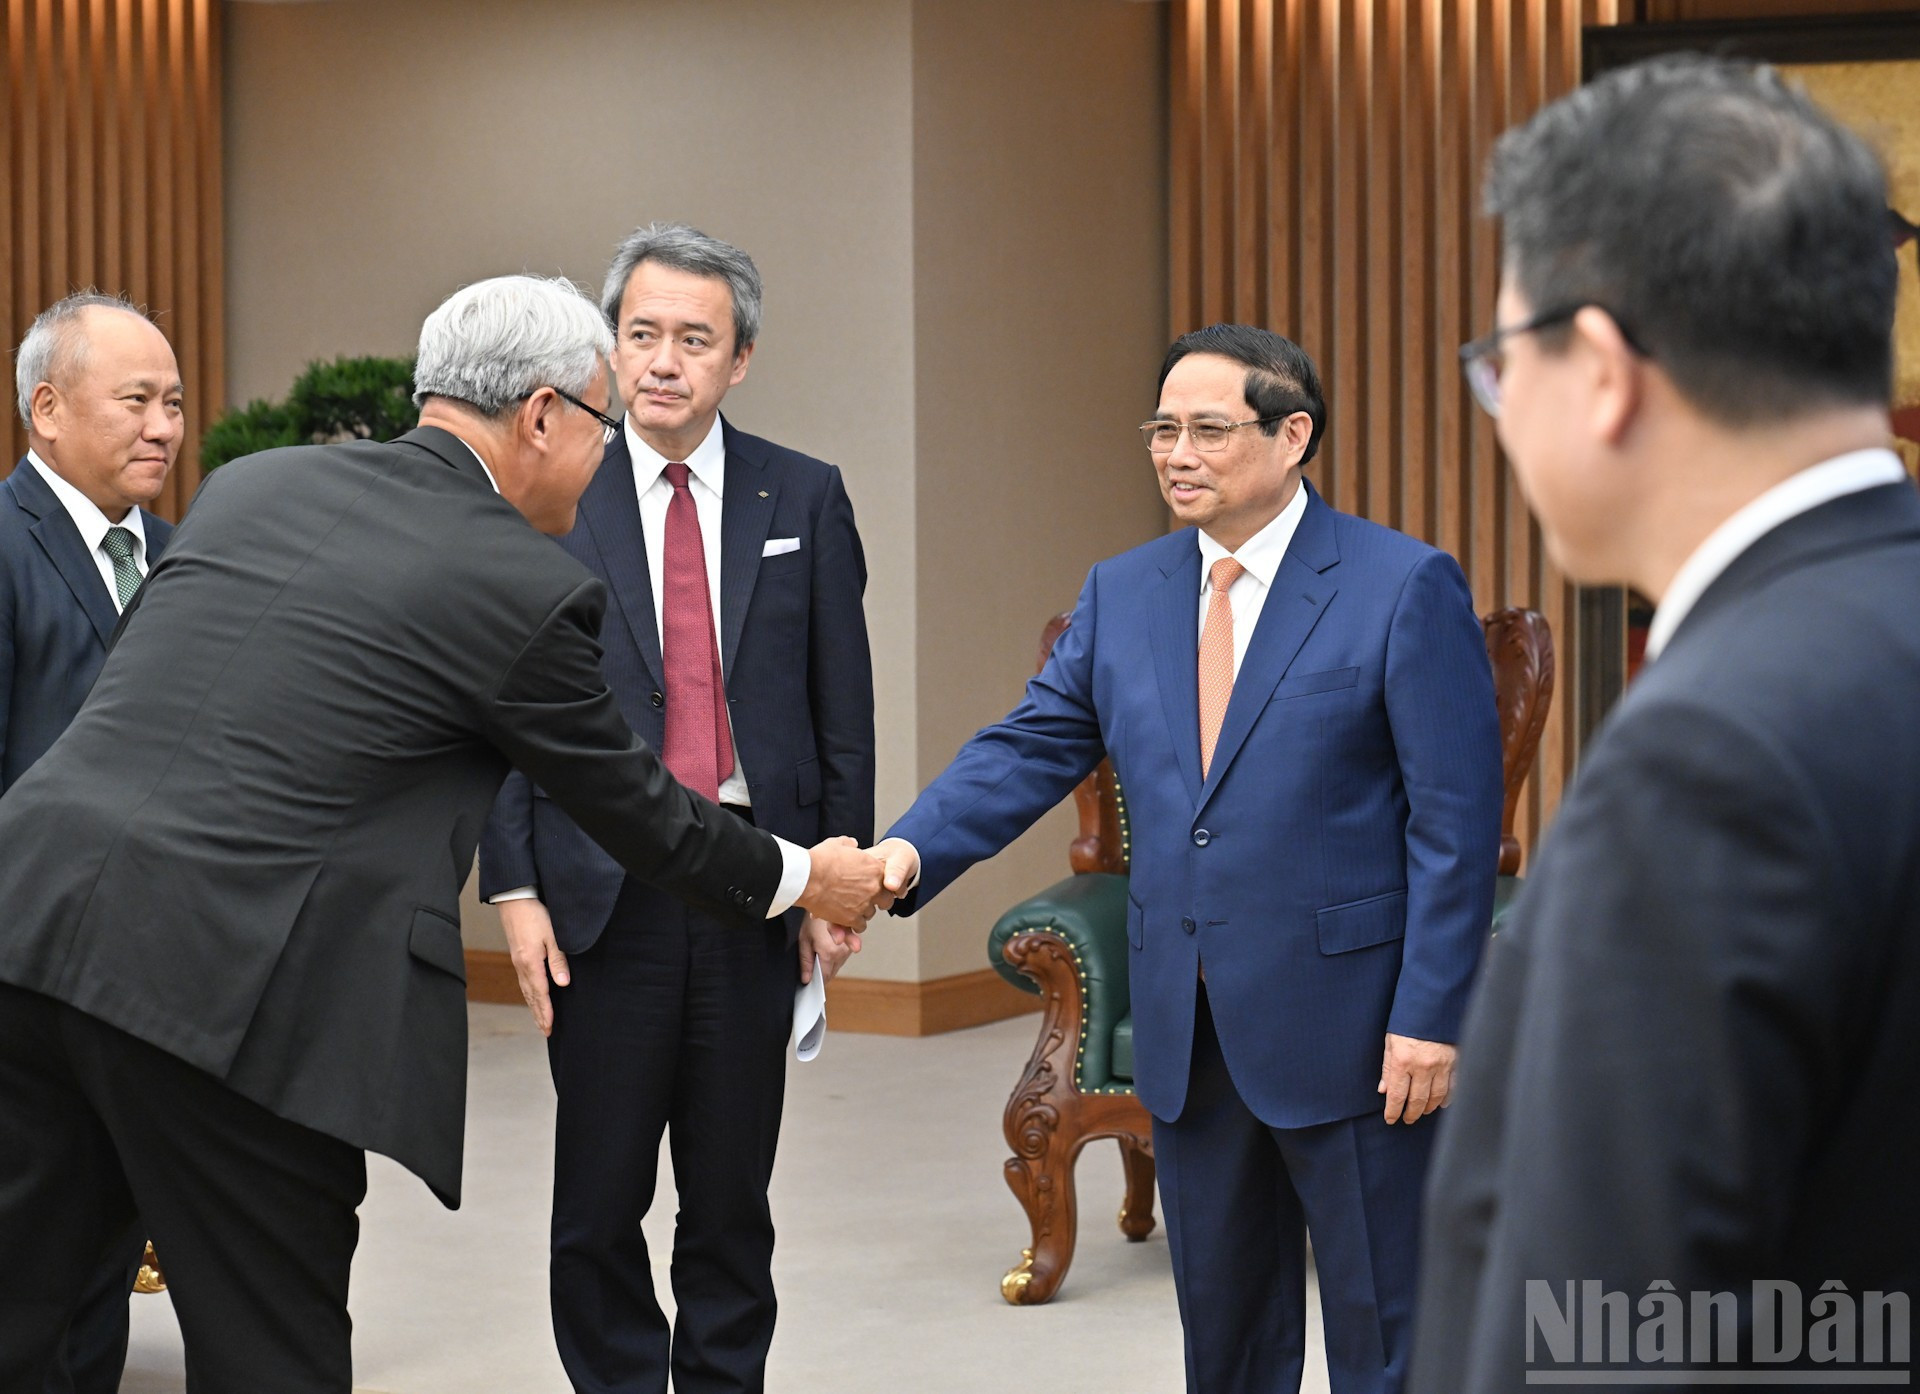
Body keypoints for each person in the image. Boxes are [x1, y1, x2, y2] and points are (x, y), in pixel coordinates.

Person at [0, 274, 886, 1394]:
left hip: (27, 923)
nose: (604, 459)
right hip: (226, 990)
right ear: (543, 415)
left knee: (22, 1313)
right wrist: (810, 875)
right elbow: (646, 817)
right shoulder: (515, 578)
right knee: (273, 1346)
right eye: (602, 424)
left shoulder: (251, 486)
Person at [1411, 55, 1920, 1391]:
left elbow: (1608, 1320)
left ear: (1598, 365)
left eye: (1498, 360)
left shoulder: (1712, 756)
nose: (1502, 410)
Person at [869, 324, 1504, 1394]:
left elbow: (1454, 824)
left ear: (1292, 433)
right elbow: (1029, 744)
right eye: (1163, 429)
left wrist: (1430, 1017)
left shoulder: (1401, 584)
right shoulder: (1125, 592)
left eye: (1210, 429)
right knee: (1227, 1342)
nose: (1178, 453)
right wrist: (903, 851)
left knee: (1390, 1335)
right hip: (1189, 1027)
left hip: (1354, 1030)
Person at [478, 223, 875, 1394]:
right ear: (612, 343)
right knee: (597, 1201)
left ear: (738, 358)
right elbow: (500, 706)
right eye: (641, 334)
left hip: (759, 881)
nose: (663, 360)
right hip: (603, 894)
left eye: (694, 338)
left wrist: (835, 884)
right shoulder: (555, 491)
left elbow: (839, 708)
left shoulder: (802, 492)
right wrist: (513, 883)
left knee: (730, 1197)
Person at [2, 292, 181, 1393]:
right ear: (48, 409)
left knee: (106, 1260)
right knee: (31, 1271)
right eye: (135, 399)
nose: (164, 424)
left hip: (148, 981)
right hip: (28, 984)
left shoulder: (179, 554)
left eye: (171, 399)